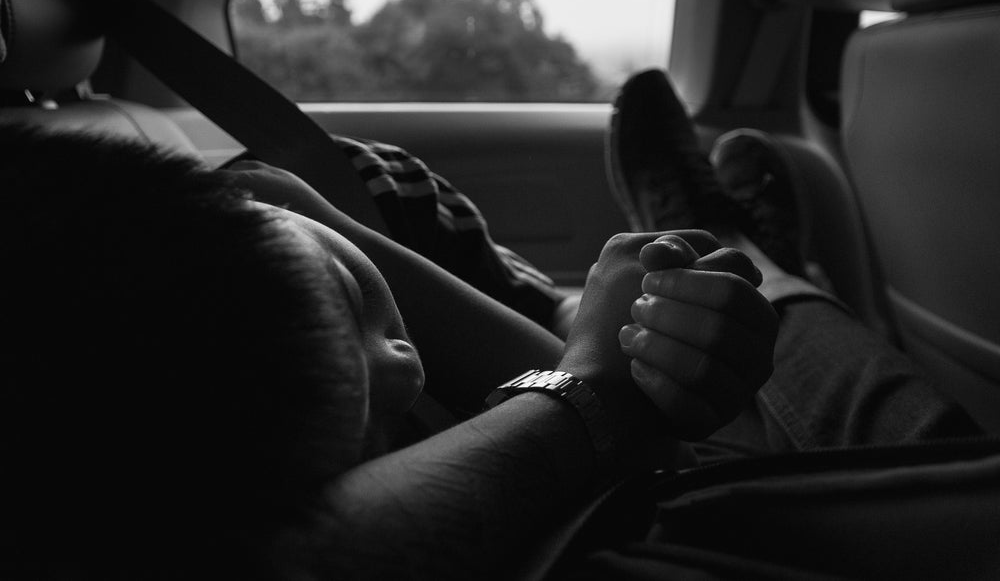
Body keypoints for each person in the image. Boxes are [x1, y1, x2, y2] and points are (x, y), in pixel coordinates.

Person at [0, 123, 778, 580]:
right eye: (370, 458)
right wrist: (600, 386)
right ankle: (762, 252)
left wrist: (622, 333)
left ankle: (757, 253)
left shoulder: (357, 195)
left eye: (343, 293)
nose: (408, 374)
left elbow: (571, 328)